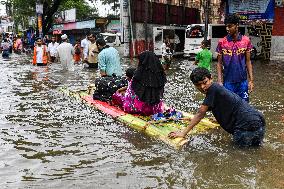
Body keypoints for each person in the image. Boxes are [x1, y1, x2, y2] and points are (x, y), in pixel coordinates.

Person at [169, 67, 265, 147]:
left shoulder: (213, 89)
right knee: (253, 152)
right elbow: (224, 107)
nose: (202, 87)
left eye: (205, 82)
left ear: (211, 78)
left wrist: (183, 133)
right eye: (198, 85)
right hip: (258, 122)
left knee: (238, 157)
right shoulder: (217, 89)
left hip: (245, 126)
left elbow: (200, 113)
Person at [112, 51, 167, 116]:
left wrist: (119, 93)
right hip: (156, 109)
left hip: (140, 109)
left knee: (116, 96)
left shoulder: (138, 75)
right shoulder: (161, 76)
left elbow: (131, 94)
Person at [216, 14, 253, 102]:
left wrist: (251, 80)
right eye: (226, 26)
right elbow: (219, 63)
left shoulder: (246, 41)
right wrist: (220, 81)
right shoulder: (222, 42)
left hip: (243, 82)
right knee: (228, 107)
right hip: (228, 83)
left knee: (244, 107)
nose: (227, 29)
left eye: (230, 26)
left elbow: (248, 61)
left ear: (237, 25)